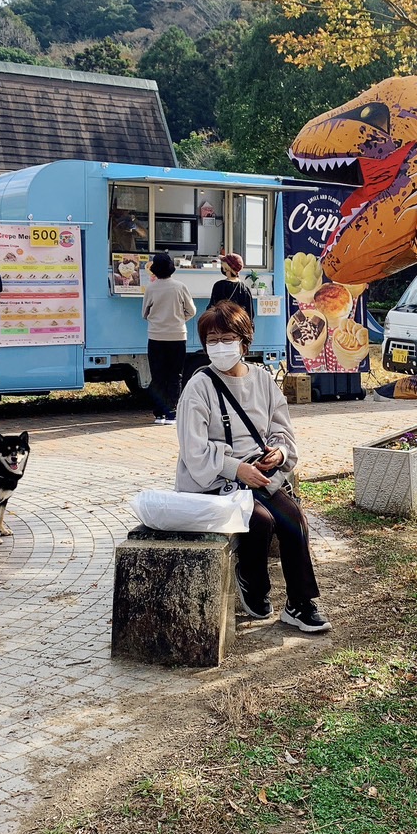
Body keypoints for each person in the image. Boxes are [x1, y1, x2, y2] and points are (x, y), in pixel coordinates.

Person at [175, 302, 331, 634]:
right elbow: (193, 450)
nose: (219, 346)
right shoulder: (198, 387)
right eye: (212, 339)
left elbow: (281, 428)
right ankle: (253, 583)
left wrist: (279, 451)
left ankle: (300, 604)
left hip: (260, 474)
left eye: (227, 338)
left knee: (294, 518)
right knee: (259, 520)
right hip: (216, 480)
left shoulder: (262, 380)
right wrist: (234, 468)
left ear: (245, 342)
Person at [141, 251, 196, 425]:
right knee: (175, 375)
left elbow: (144, 313)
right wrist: (179, 319)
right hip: (178, 336)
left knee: (158, 376)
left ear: (155, 270)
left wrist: (157, 319)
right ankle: (172, 413)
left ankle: (159, 414)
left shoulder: (151, 288)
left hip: (156, 336)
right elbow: (192, 310)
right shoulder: (180, 287)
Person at [209, 252, 255, 317]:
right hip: (238, 325)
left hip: (221, 324)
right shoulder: (245, 289)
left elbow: (211, 308)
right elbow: (250, 314)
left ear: (226, 268)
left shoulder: (219, 286)